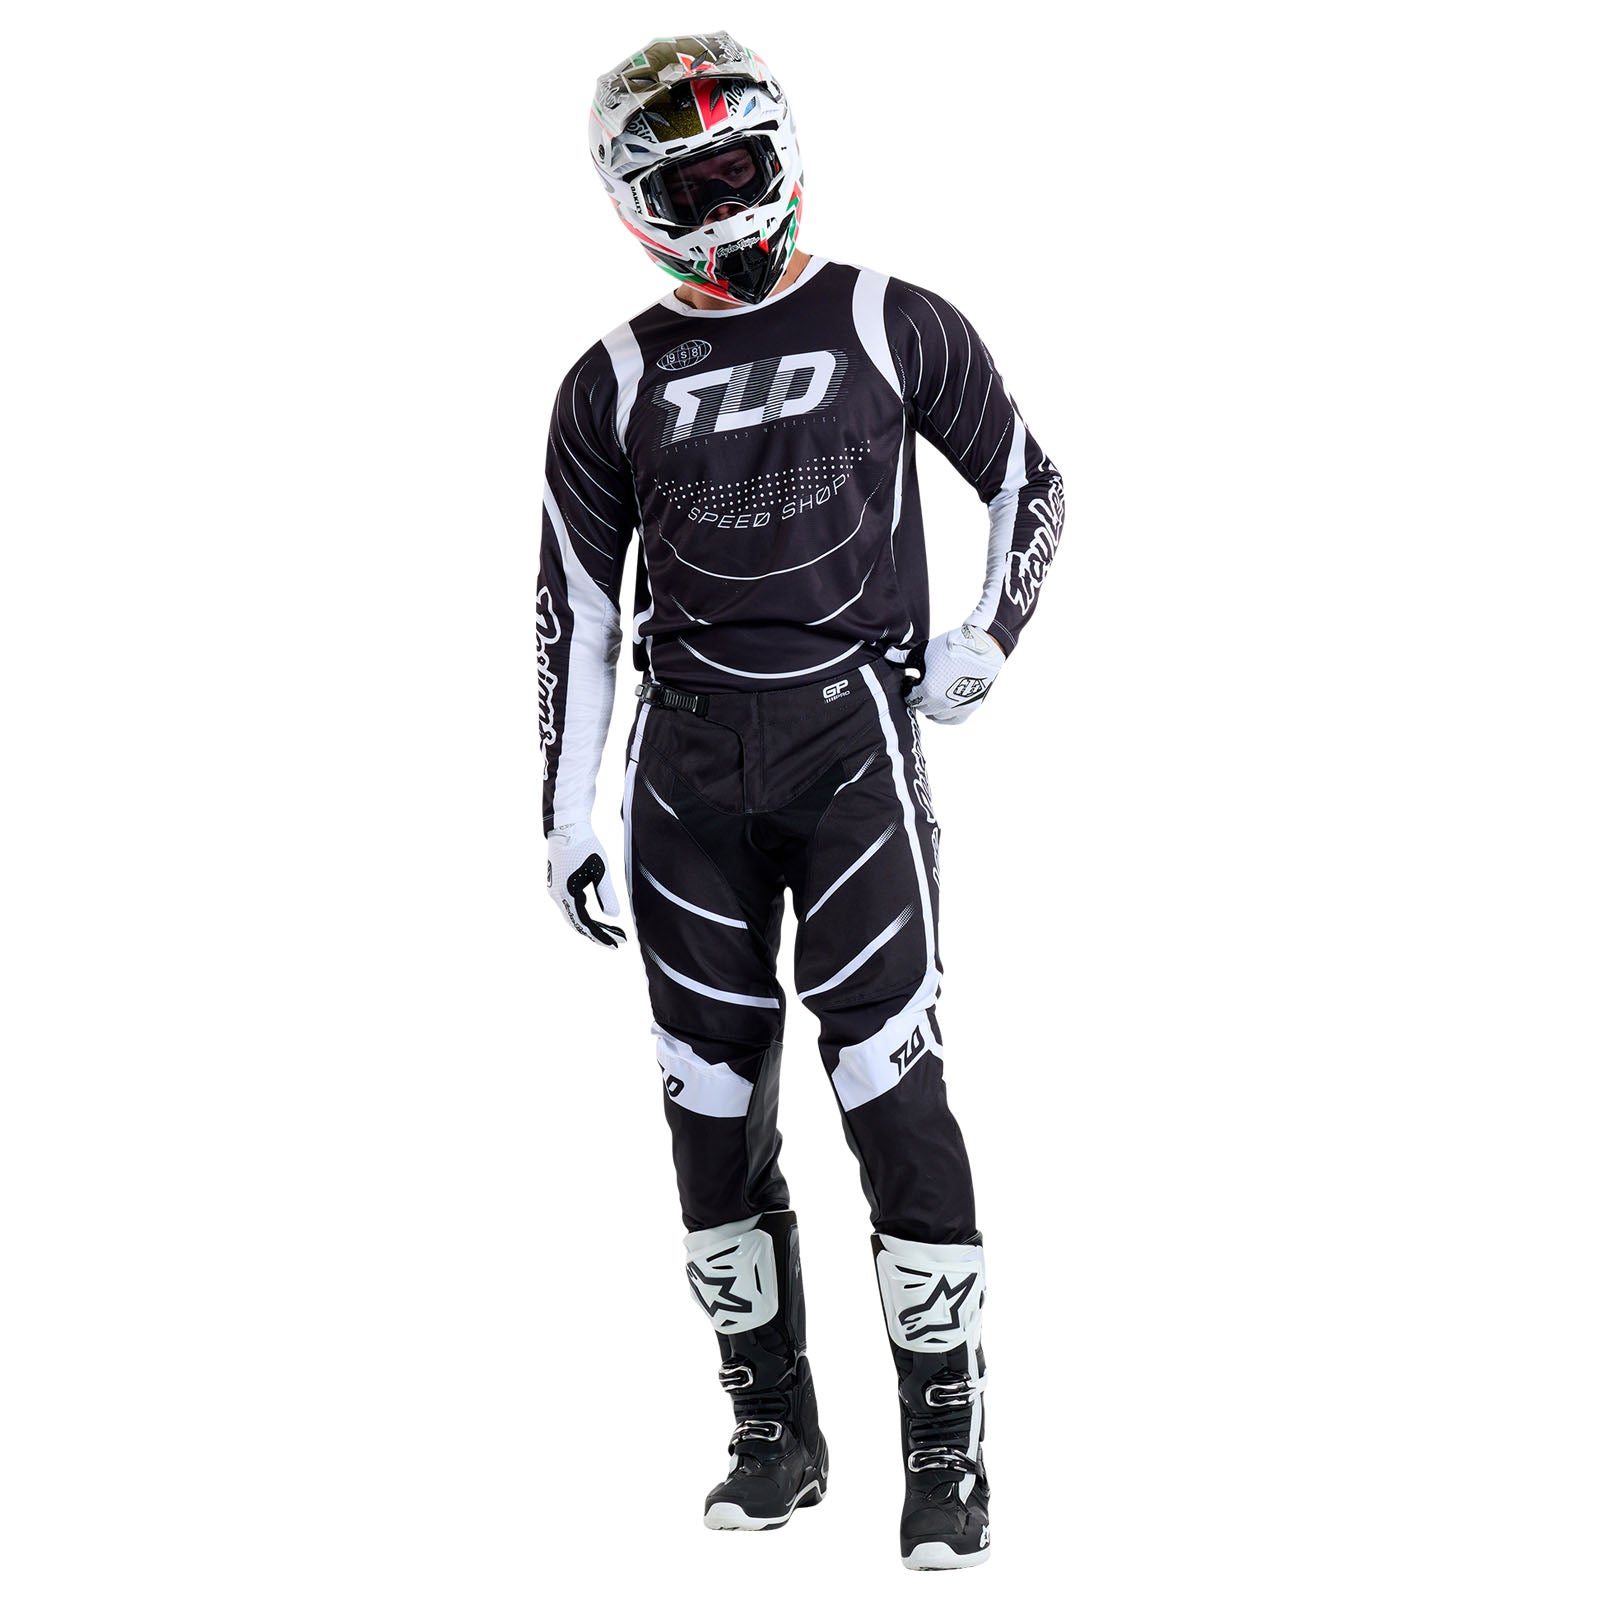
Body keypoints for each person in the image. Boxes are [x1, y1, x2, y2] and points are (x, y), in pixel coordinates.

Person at [538, 33, 1063, 1570]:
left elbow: (1027, 477)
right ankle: (771, 1429)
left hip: (853, 754)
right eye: (683, 184)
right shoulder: (608, 378)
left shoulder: (893, 317)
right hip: (682, 777)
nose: (720, 205)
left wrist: (991, 635)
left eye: (736, 168)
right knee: (708, 1109)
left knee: (893, 1088)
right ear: (633, 203)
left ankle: (947, 1451)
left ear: (780, 152)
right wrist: (564, 816)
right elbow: (576, 609)